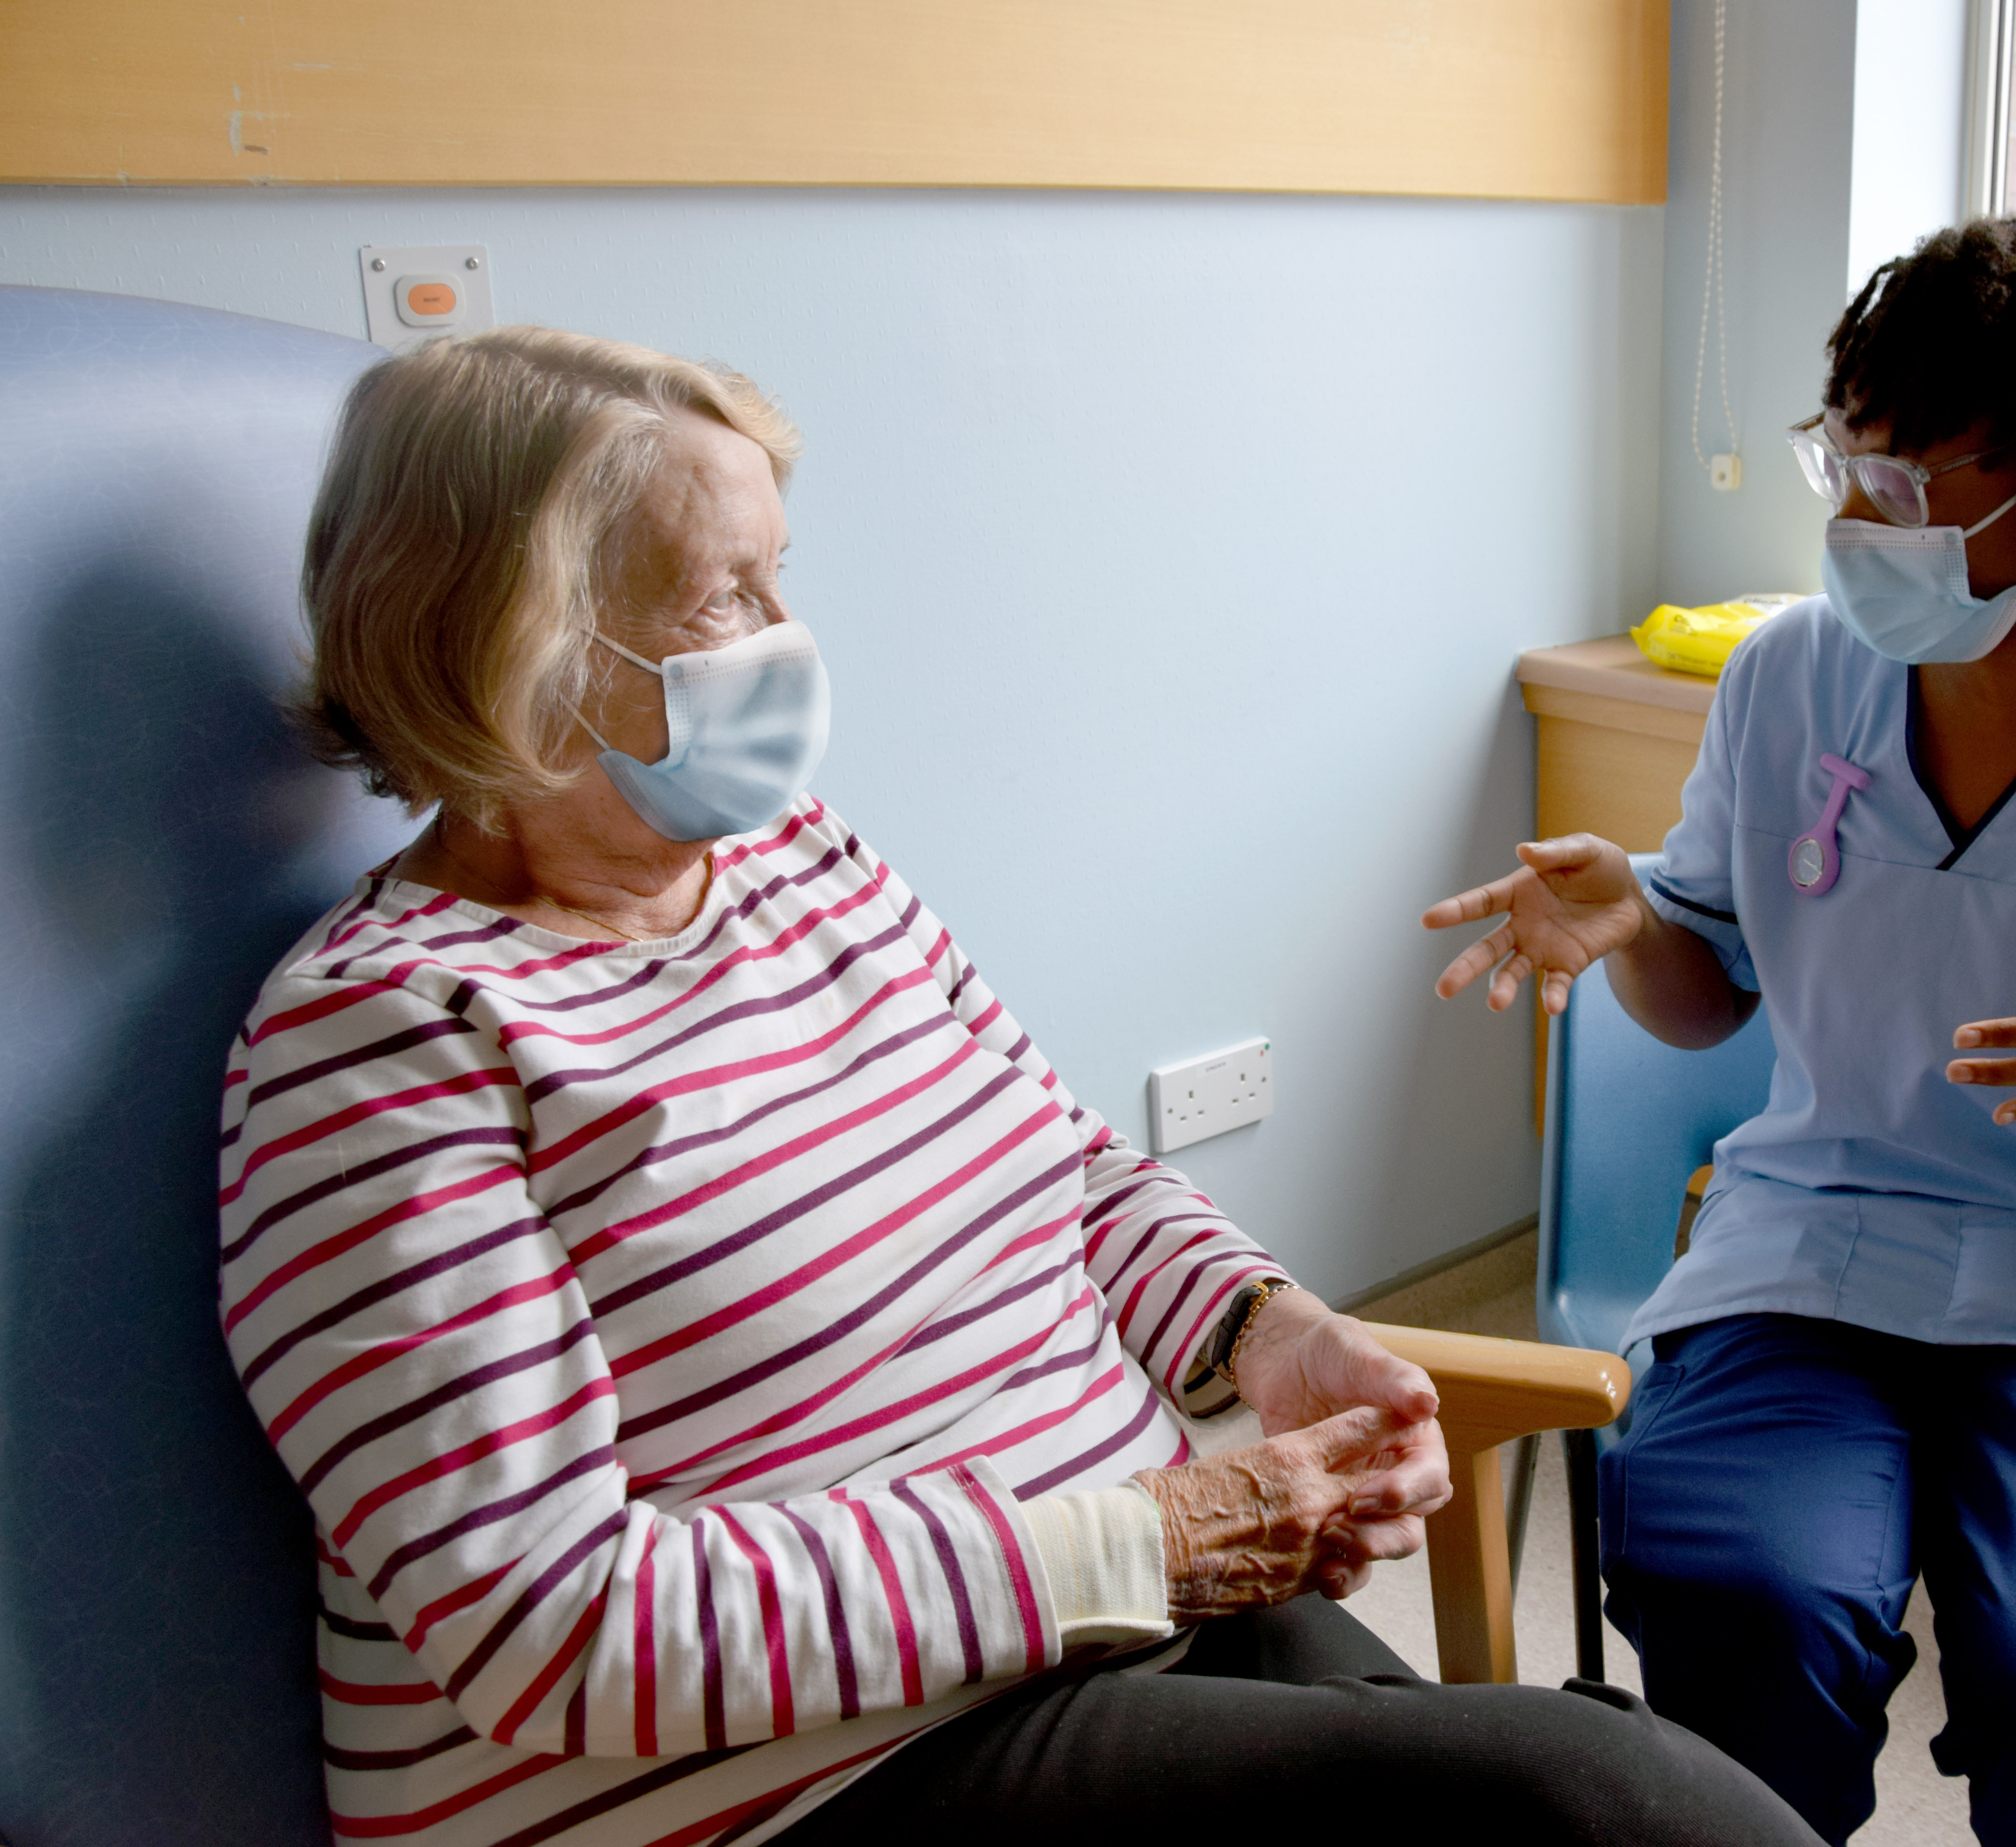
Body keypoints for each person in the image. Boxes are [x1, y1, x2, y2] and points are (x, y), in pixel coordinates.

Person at [220, 326, 1822, 1847]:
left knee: (1585, 1794)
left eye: (785, 578)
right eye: (728, 597)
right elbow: (544, 1630)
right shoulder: (384, 1044)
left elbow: (1062, 1173)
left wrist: (1272, 1334)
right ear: (517, 645)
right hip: (792, 1786)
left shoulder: (800, 866)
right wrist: (1151, 1538)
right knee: (1599, 1799)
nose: (786, 640)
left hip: (1108, 1618)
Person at [1424, 212, 2016, 1845]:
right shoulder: (1789, 680)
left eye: (1915, 489)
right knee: (1740, 1603)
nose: (1862, 520)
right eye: (1847, 464)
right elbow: (1705, 1003)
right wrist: (1638, 919)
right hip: (1814, 1246)